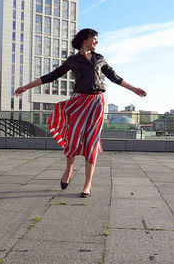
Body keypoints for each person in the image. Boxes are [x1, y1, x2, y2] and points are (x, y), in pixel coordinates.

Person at [14, 28, 146, 198]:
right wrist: (26, 87)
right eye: (94, 39)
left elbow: (115, 77)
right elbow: (51, 76)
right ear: (85, 39)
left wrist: (134, 88)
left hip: (97, 102)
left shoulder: (100, 59)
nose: (97, 42)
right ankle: (68, 170)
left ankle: (87, 184)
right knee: (74, 138)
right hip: (78, 102)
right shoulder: (73, 60)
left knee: (91, 142)